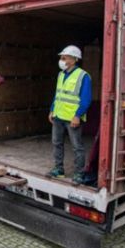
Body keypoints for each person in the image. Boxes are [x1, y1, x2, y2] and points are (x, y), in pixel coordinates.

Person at [48, 45, 92, 184]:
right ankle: (58, 170)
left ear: (74, 59)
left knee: (77, 146)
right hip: (58, 116)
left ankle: (79, 173)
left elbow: (86, 99)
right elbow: (58, 95)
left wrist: (77, 115)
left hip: (72, 118)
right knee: (57, 143)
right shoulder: (61, 74)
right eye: (61, 57)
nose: (61, 60)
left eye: (64, 57)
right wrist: (52, 109)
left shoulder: (83, 76)